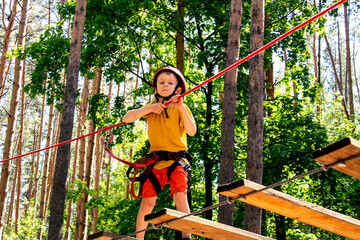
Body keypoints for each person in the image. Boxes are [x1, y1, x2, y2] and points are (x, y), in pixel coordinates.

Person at [123, 66, 196, 240]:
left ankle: (187, 237)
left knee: (180, 195)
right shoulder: (150, 108)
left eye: (170, 83)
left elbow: (191, 131)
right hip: (155, 163)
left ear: (177, 89)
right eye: (161, 82)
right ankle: (138, 238)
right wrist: (149, 109)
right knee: (147, 202)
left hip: (175, 161)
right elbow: (127, 118)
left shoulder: (180, 108)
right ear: (155, 88)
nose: (165, 85)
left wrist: (181, 107)